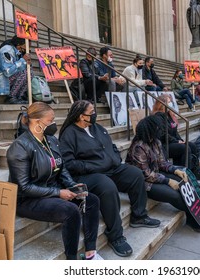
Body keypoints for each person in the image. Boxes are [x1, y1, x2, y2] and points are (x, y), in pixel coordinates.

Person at [59, 100, 160, 257]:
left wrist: (114, 157)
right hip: (88, 175)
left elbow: (111, 146)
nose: (94, 114)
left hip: (112, 168)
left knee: (135, 174)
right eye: (91, 112)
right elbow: (69, 163)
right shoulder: (69, 134)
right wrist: (94, 166)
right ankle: (116, 236)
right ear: (81, 116)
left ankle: (139, 216)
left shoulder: (97, 128)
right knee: (107, 186)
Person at [6, 102, 102, 260]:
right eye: (50, 120)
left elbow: (61, 168)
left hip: (51, 189)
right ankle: (71, 259)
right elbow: (23, 187)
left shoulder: (51, 140)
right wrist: (58, 193)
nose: (54, 124)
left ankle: (91, 252)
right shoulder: (19, 147)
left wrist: (71, 185)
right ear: (37, 122)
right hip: (28, 199)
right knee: (70, 211)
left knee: (91, 200)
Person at [126, 115, 200, 232]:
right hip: (143, 183)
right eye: (158, 128)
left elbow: (162, 162)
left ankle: (196, 216)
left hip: (156, 174)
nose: (161, 130)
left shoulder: (155, 142)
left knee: (184, 182)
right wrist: (168, 181)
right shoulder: (138, 147)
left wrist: (175, 170)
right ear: (151, 130)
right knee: (174, 195)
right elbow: (146, 174)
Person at [152, 94, 200, 181]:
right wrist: (176, 141)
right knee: (185, 148)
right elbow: (162, 134)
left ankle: (195, 172)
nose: (171, 103)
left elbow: (174, 131)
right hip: (163, 145)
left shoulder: (169, 115)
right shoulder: (158, 117)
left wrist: (180, 140)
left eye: (170, 102)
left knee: (193, 146)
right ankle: (185, 175)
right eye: (168, 102)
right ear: (162, 104)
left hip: (172, 142)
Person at [0, 35, 31, 104]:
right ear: (19, 45)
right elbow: (7, 72)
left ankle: (18, 97)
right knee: (25, 73)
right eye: (26, 46)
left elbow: (18, 68)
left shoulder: (18, 52)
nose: (27, 48)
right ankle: (11, 97)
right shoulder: (7, 50)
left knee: (30, 73)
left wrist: (26, 63)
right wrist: (22, 61)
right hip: (0, 79)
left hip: (9, 78)